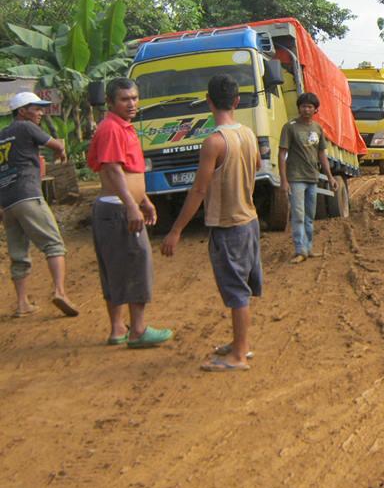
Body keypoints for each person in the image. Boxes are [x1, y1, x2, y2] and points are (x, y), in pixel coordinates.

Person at [162, 75, 262, 372]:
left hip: (228, 224)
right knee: (240, 287)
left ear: (208, 101)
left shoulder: (213, 142)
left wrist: (176, 230)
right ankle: (239, 344)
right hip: (250, 219)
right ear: (236, 101)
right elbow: (256, 166)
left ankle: (239, 355)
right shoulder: (247, 134)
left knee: (235, 291)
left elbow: (199, 190)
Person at [87, 78, 173, 347]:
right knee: (137, 264)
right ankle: (137, 330)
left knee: (114, 269)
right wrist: (132, 205)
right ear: (111, 103)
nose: (132, 103)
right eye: (125, 99)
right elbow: (112, 169)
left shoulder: (120, 128)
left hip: (114, 207)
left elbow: (125, 172)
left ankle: (116, 329)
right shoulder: (112, 128)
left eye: (135, 98)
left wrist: (143, 199)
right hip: (118, 209)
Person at [0, 92, 78, 318]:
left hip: (7, 203)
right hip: (28, 196)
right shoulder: (25, 127)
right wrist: (61, 150)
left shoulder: (2, 135)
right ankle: (60, 292)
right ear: (22, 111)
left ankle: (22, 304)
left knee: (18, 253)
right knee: (54, 245)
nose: (41, 113)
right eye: (37, 108)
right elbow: (54, 144)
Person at [279, 92, 337, 264]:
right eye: (303, 106)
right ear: (299, 108)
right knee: (298, 215)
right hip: (295, 178)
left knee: (310, 216)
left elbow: (322, 155)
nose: (306, 109)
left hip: (312, 177)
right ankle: (300, 250)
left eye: (310, 106)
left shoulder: (318, 129)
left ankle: (309, 248)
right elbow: (282, 154)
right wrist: (283, 180)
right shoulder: (289, 127)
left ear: (315, 110)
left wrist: (330, 177)